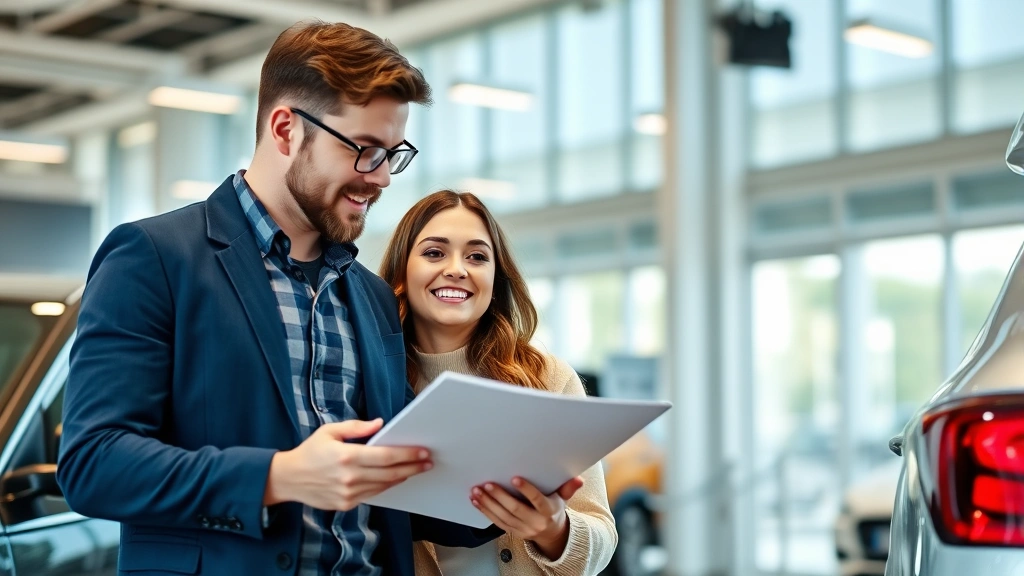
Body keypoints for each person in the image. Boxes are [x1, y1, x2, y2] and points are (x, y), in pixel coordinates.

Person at [57, 21, 503, 576]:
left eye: (394, 153)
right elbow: (93, 464)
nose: (383, 177)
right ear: (287, 129)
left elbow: (394, 487)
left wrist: (506, 492)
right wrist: (279, 476)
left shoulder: (370, 294)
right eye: (364, 150)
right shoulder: (153, 258)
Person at [379, 190, 618, 575]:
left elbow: (601, 536)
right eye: (434, 253)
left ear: (495, 277)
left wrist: (554, 530)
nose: (458, 269)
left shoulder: (547, 378)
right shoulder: (370, 381)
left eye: (477, 256)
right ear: (402, 272)